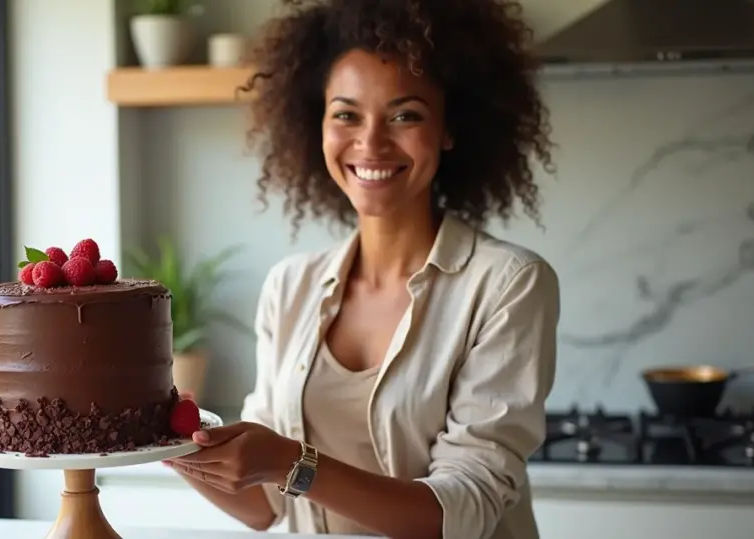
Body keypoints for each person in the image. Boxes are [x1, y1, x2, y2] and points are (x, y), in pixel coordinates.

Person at [164, 0, 560, 537]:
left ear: (449, 127)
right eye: (346, 114)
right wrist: (159, 437)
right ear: (318, 124)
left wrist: (289, 464)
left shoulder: (507, 285)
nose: (370, 142)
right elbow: (263, 507)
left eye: (405, 115)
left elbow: (464, 511)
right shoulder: (290, 287)